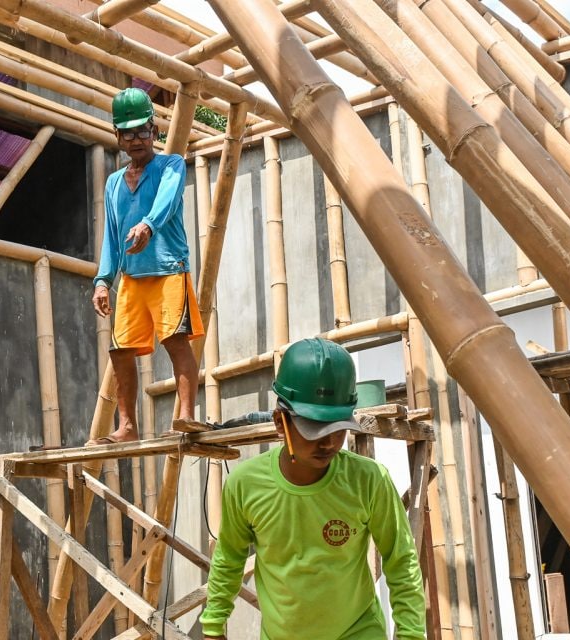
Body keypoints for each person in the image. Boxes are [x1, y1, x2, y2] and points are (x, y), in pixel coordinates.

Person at [200, 337, 427, 640]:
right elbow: (229, 557)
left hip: (358, 631)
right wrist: (214, 626)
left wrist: (411, 635)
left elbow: (401, 560)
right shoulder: (245, 485)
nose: (329, 442)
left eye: (337, 428)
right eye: (314, 428)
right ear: (281, 423)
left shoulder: (369, 480)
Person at [89, 87, 203, 445]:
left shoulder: (170, 165)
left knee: (175, 341)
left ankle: (185, 416)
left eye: (142, 131)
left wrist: (149, 225)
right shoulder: (112, 184)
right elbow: (111, 233)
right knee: (120, 350)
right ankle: (127, 427)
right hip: (132, 278)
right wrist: (103, 280)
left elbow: (168, 201)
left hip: (169, 268)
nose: (136, 139)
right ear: (118, 136)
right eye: (128, 132)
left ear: (154, 132)